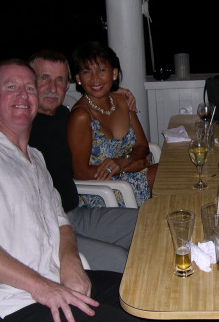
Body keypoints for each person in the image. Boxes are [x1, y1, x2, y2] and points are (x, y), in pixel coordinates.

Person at [0, 50, 200, 322]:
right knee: (120, 262)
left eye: (59, 80)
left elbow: (98, 111)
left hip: (70, 214)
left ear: (68, 85)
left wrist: (115, 93)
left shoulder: (64, 115)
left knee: (153, 226)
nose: (51, 88)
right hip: (45, 234)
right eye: (42, 80)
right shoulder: (10, 124)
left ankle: (153, 317)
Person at [67, 41, 156, 208]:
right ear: (78, 79)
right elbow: (80, 172)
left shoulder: (122, 101)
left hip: (131, 176)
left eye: (101, 70)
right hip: (104, 191)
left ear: (114, 73)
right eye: (87, 72)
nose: (95, 79)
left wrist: (123, 161)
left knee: (176, 174)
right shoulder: (81, 116)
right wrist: (126, 168)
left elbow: (142, 146)